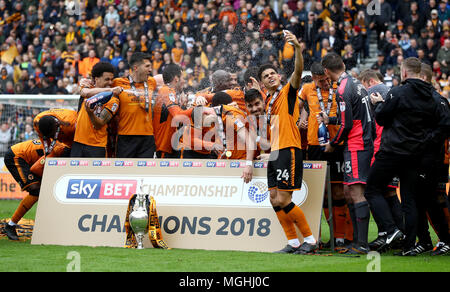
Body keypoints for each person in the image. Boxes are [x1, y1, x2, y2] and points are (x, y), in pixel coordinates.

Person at [364, 57, 450, 256]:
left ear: (404, 73)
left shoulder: (399, 92)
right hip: (418, 155)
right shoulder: (432, 96)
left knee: (373, 188)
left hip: (398, 151)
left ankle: (392, 229)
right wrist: (427, 139)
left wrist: (378, 104)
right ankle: (413, 244)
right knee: (413, 200)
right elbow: (442, 124)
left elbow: (382, 118)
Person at [258, 30, 318, 255]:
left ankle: (310, 240)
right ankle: (293, 242)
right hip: (274, 153)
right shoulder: (268, 100)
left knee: (284, 198)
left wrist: (298, 49)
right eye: (267, 76)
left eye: (273, 73)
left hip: (289, 150)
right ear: (264, 83)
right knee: (274, 199)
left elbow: (298, 71)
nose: (271, 76)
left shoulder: (287, 92)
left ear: (279, 77)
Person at [320, 52, 375, 255]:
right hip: (363, 141)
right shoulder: (356, 83)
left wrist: (333, 144)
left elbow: (347, 124)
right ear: (342, 64)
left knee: (357, 193)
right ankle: (357, 241)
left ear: (326, 71)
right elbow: (352, 117)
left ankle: (361, 244)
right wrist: (330, 120)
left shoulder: (342, 89)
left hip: (356, 144)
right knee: (349, 192)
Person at [298, 62, 350, 251]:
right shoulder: (306, 89)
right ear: (313, 78)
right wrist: (302, 119)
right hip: (314, 145)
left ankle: (341, 238)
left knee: (338, 191)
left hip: (337, 144)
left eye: (327, 79)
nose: (326, 83)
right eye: (321, 81)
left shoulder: (339, 88)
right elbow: (303, 106)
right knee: (319, 193)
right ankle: (316, 238)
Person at [359, 69, 403, 252]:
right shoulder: (390, 91)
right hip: (394, 147)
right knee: (389, 193)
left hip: (381, 148)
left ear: (369, 82)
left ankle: (389, 231)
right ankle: (397, 234)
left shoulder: (374, 91)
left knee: (372, 191)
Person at [414, 62, 450, 256]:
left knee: (435, 199)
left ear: (425, 79)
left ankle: (445, 239)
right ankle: (427, 240)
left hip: (437, 159)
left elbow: (444, 129)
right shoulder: (425, 101)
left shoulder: (439, 101)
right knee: (422, 199)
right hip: (425, 157)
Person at [3, 139, 70, 240]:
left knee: (43, 191)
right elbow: (35, 169)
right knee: (35, 190)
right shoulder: (56, 151)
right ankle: (10, 225)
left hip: (27, 159)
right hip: (16, 156)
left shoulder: (61, 147)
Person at [71, 62, 121, 158]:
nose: (110, 83)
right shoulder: (88, 86)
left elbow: (99, 124)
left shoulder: (114, 100)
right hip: (78, 142)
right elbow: (84, 92)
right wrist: (110, 90)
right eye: (107, 79)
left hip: (96, 145)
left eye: (112, 79)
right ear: (96, 79)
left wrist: (90, 113)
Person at [112, 52, 157, 158]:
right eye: (147, 66)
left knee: (144, 174)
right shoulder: (117, 83)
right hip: (126, 137)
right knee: (125, 173)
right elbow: (99, 84)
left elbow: (165, 80)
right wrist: (84, 84)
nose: (150, 70)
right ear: (136, 68)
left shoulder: (151, 81)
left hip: (148, 138)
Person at [153, 64, 193, 158]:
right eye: (183, 77)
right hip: (164, 147)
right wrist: (198, 109)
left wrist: (183, 107)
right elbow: (177, 115)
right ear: (176, 78)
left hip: (171, 146)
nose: (184, 81)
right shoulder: (167, 91)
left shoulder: (170, 92)